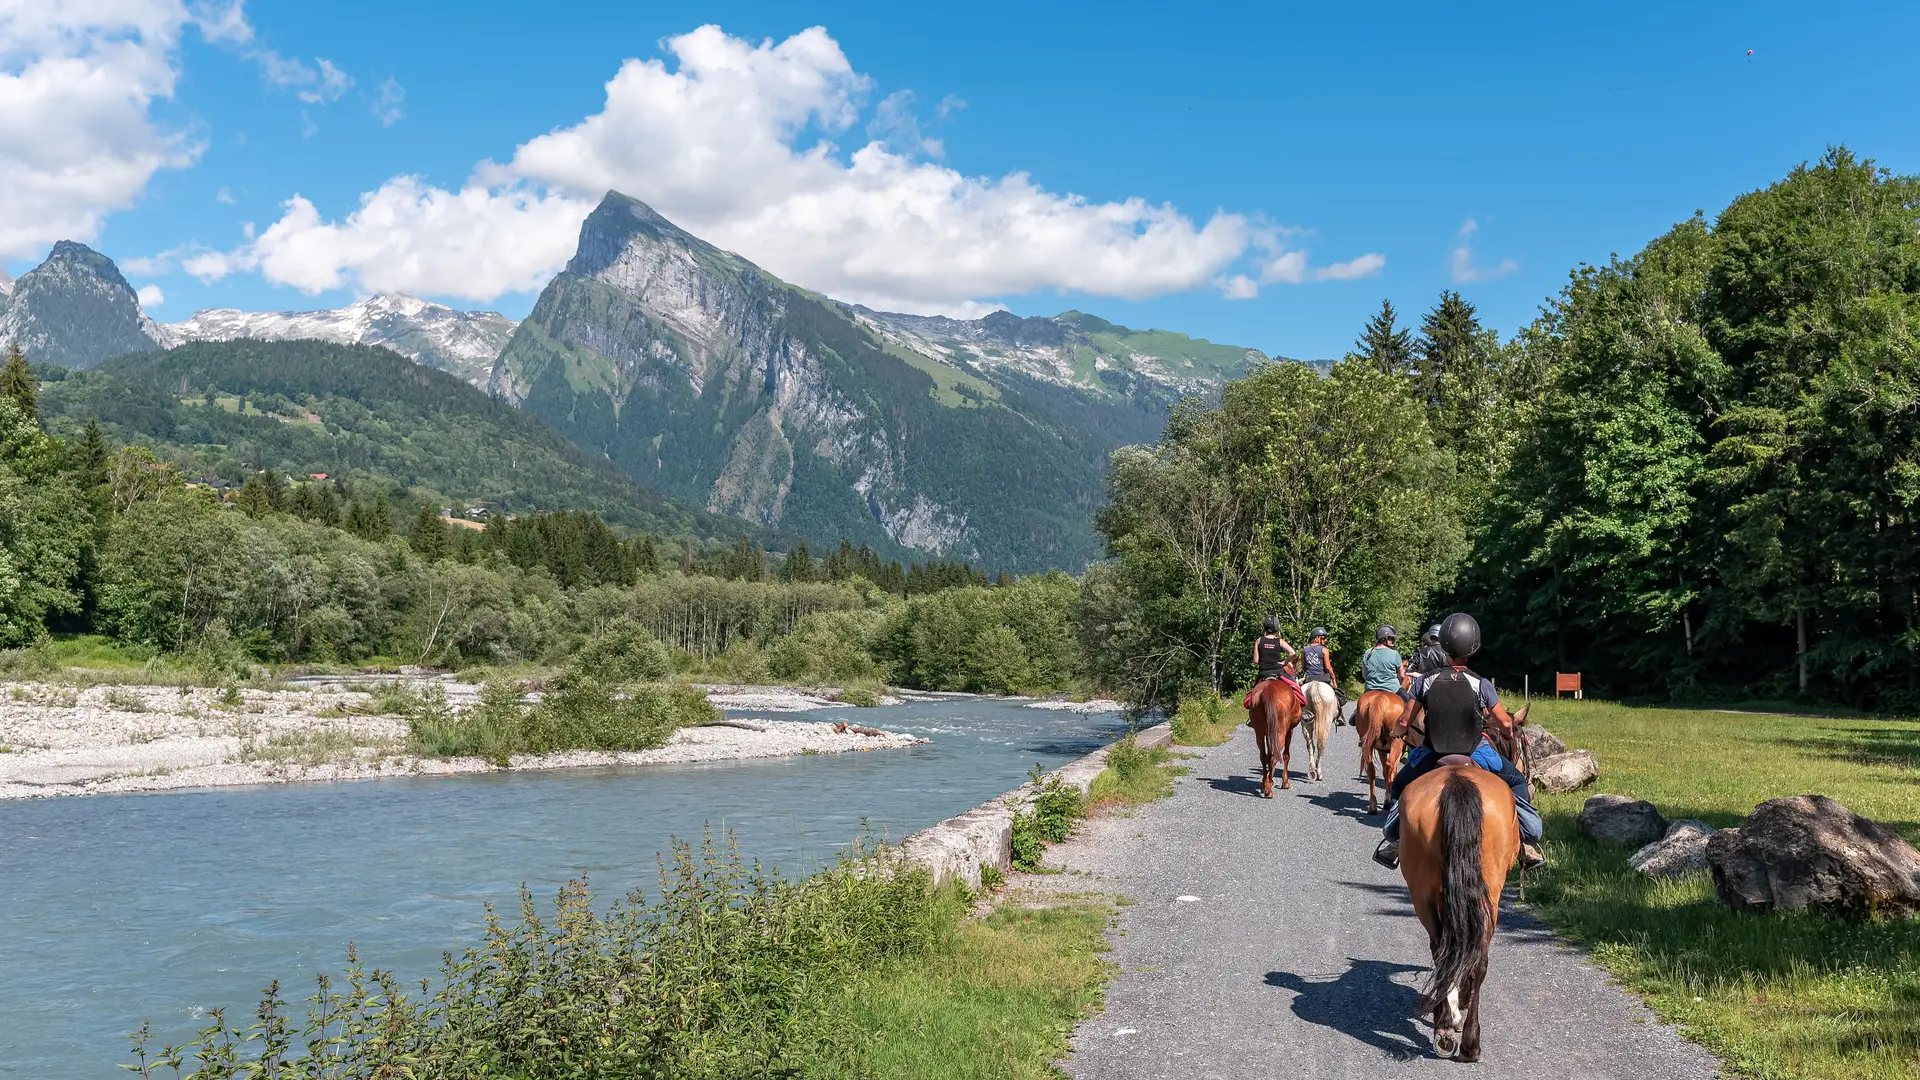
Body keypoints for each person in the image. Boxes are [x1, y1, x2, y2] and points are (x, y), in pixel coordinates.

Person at [1371, 612, 1545, 872]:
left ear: (1443, 645)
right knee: (1518, 782)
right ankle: (1527, 840)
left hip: (1433, 752)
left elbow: (1405, 721)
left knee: (1400, 786)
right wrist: (1507, 732)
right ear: (1473, 649)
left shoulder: (1424, 682)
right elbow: (1504, 722)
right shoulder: (1481, 684)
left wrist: (1397, 732)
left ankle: (1394, 839)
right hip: (1476, 752)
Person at [1297, 626, 1348, 725]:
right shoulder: (1324, 650)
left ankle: (1297, 713)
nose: (1325, 640)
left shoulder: (1304, 650)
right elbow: (1328, 668)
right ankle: (1339, 716)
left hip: (1309, 679)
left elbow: (1303, 667)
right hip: (1323, 678)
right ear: (1317, 638)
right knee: (1338, 696)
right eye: (1323, 638)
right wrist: (1333, 678)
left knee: (1296, 695)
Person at [1362, 625, 1409, 702]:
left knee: (1357, 711)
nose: (1393, 641)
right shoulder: (1394, 654)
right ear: (1384, 639)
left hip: (1370, 688)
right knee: (1411, 705)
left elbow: (1364, 674)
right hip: (1393, 688)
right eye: (1391, 638)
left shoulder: (1367, 652)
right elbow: (1401, 675)